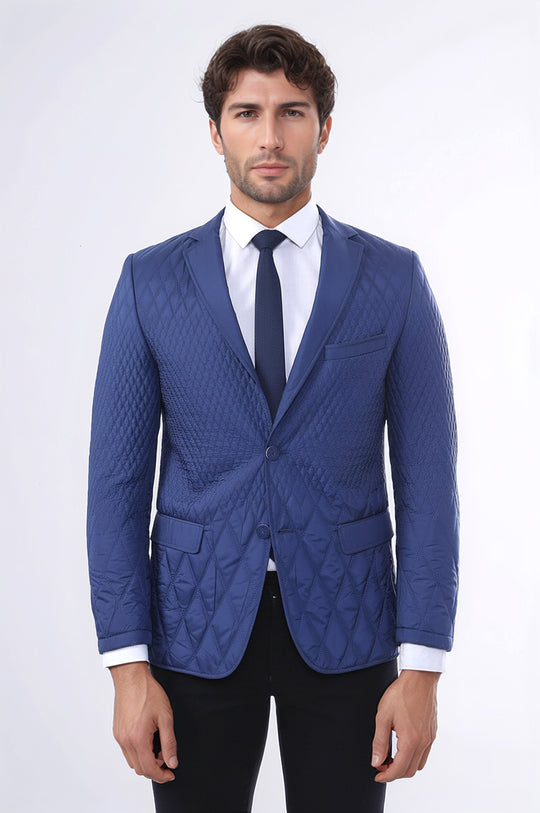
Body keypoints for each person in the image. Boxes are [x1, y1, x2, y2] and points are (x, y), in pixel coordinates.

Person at [87, 23, 459, 813]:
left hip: (349, 622)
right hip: (192, 626)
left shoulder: (393, 280)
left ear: (324, 129)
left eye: (292, 112)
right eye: (246, 113)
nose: (269, 136)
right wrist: (127, 666)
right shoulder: (150, 282)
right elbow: (115, 485)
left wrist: (422, 666)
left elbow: (430, 482)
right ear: (214, 131)